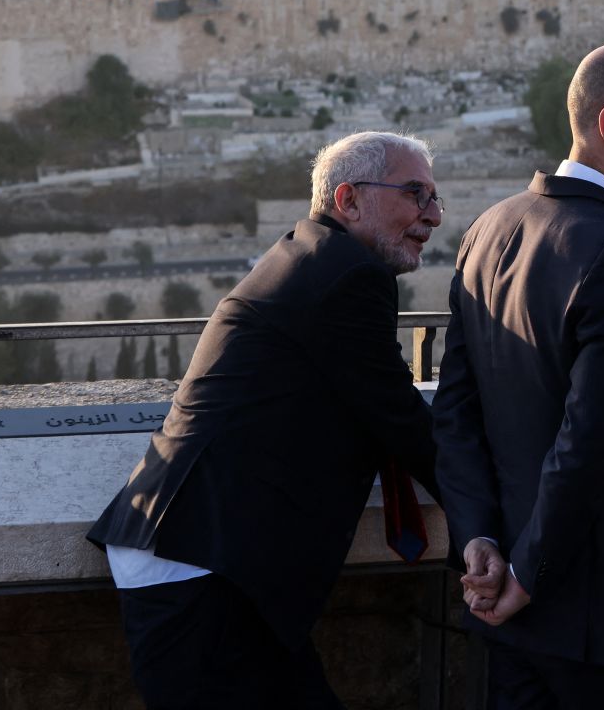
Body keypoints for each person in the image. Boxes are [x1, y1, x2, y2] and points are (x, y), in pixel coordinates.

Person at [87, 131, 447, 710]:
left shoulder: (310, 254)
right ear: (348, 199)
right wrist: (494, 514)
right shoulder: (348, 275)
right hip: (203, 560)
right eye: (414, 194)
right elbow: (399, 418)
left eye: (434, 199)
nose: (431, 216)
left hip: (202, 554)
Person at [431, 42, 604, 710]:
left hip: (505, 609)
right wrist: (529, 572)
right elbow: (591, 442)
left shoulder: (488, 230)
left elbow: (455, 415)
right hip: (601, 620)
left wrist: (481, 543)